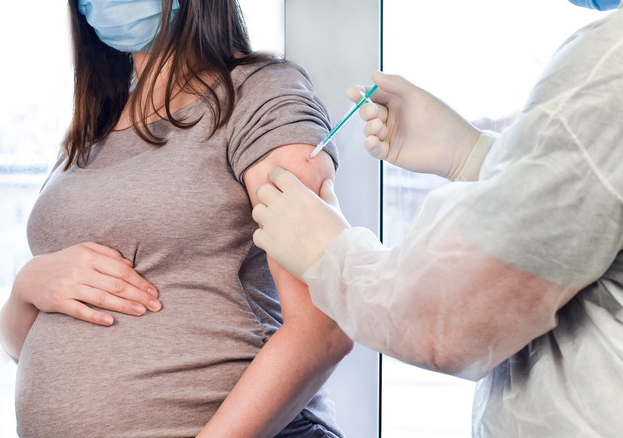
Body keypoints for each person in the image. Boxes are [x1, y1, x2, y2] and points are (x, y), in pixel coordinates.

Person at [251, 1, 623, 436]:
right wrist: (475, 155)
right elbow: (585, 204)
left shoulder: (609, 66)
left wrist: (333, 257)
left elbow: (455, 314)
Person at [0, 0, 353, 436]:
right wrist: (26, 288)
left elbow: (326, 326)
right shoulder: (96, 125)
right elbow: (21, 346)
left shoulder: (262, 94)